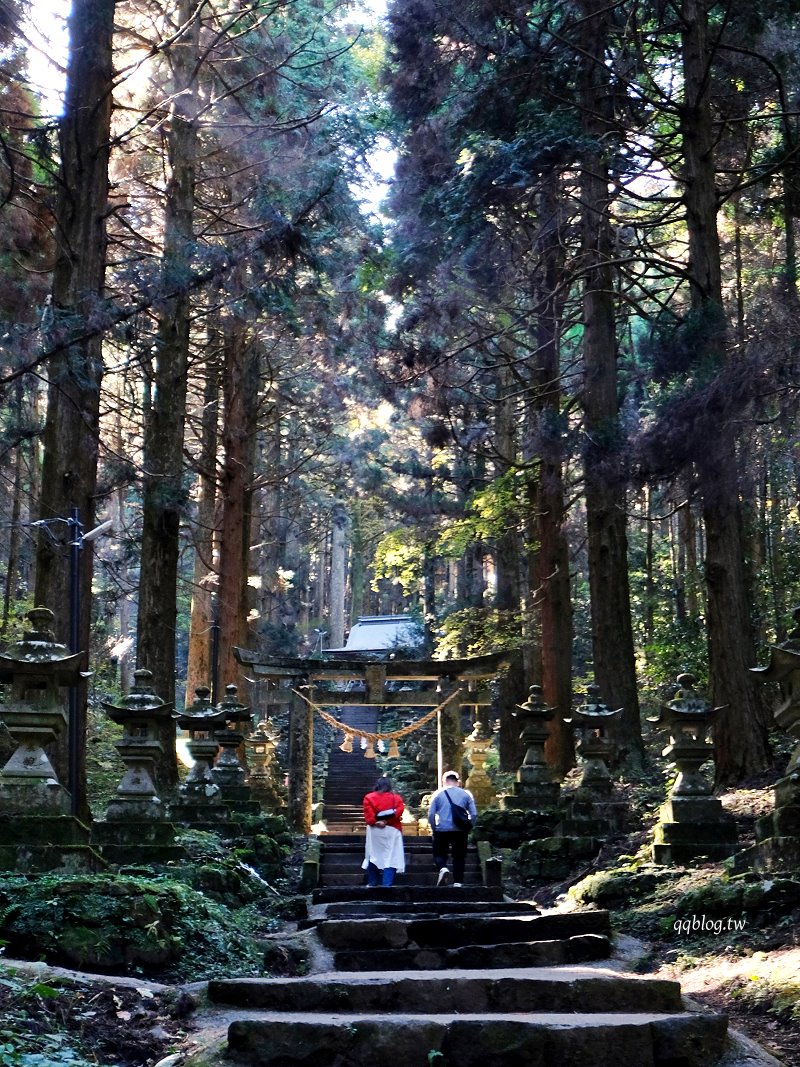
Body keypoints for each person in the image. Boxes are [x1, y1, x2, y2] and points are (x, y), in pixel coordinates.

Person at [427, 770, 477, 887]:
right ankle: (458, 882)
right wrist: (469, 827)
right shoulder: (466, 794)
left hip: (441, 830)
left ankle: (443, 868)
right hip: (460, 830)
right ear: (457, 782)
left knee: (439, 853)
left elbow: (431, 814)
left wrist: (434, 828)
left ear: (444, 782)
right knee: (459, 856)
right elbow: (474, 814)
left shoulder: (438, 794)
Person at [362, 775, 406, 887]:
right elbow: (400, 810)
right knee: (391, 857)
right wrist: (387, 821)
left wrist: (375, 822)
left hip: (375, 831)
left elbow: (368, 813)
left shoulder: (369, 797)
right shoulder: (396, 798)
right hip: (392, 829)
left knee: (374, 854)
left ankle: (372, 882)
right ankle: (387, 884)